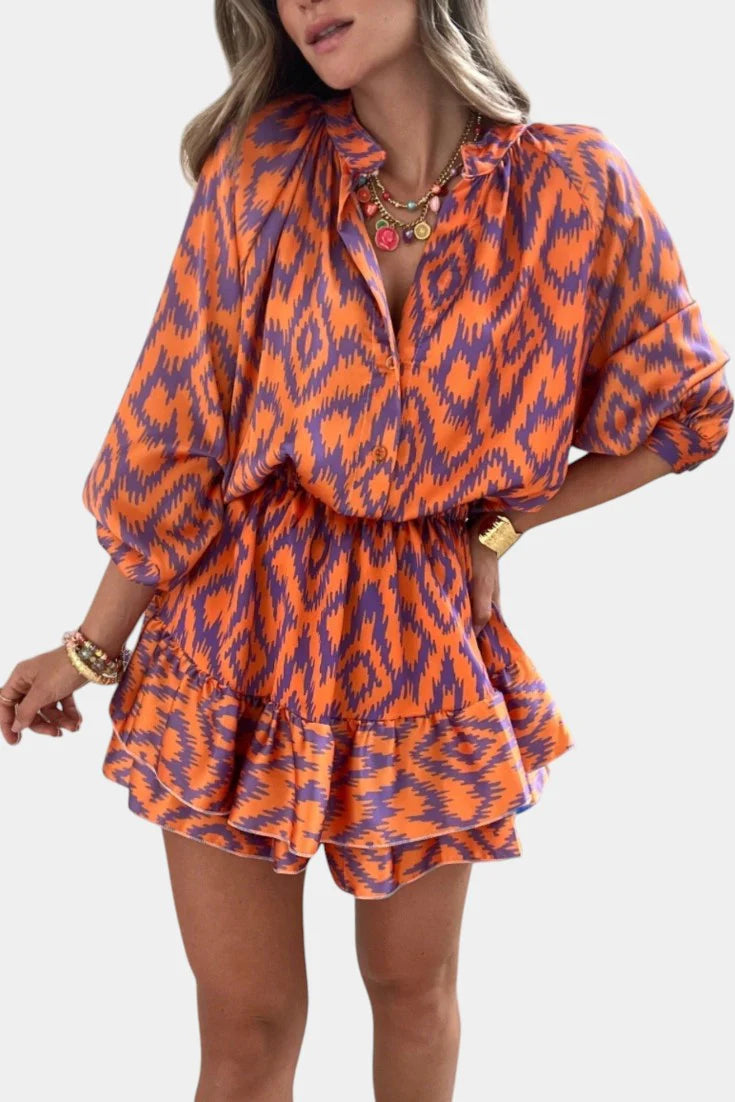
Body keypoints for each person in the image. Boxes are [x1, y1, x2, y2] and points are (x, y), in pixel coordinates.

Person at [1, 2, 732, 1099]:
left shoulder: (574, 189)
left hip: (418, 637)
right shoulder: (263, 169)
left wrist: (504, 523)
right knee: (248, 1028)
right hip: (235, 628)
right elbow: (179, 432)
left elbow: (687, 411)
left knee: (413, 992)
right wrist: (90, 647)